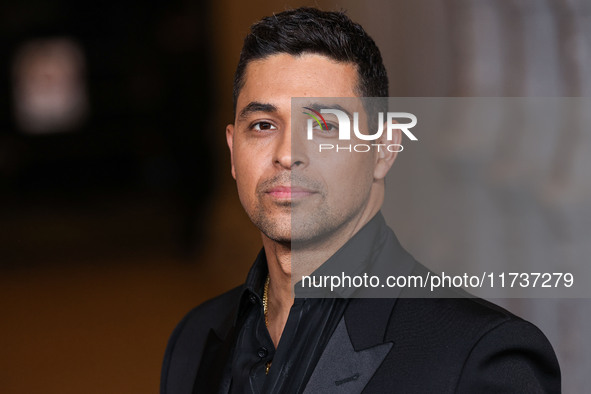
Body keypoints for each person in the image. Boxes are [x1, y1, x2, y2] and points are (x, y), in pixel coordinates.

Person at [161, 7, 561, 393]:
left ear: (384, 150)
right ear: (233, 152)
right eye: (264, 125)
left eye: (325, 126)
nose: (287, 153)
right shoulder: (193, 341)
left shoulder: (482, 359)